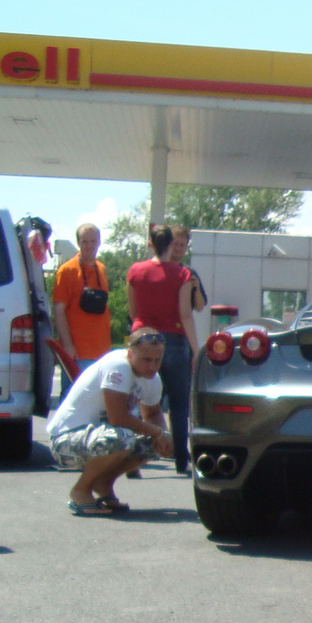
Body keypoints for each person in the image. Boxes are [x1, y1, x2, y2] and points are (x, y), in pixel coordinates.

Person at [46, 328, 173, 515]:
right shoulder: (117, 366)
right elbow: (118, 417)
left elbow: (153, 413)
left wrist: (164, 437)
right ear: (130, 354)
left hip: (97, 437)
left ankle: (103, 485)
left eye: (157, 360)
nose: (152, 367)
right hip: (65, 440)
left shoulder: (153, 380)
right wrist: (158, 432)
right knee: (121, 437)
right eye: (146, 360)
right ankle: (80, 490)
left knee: (150, 444)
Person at [126, 224, 200, 475]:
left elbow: (133, 311)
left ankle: (131, 461)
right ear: (171, 245)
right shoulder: (182, 275)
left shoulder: (135, 271)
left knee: (134, 403)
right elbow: (185, 314)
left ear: (151, 244)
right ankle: (181, 459)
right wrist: (195, 349)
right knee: (179, 405)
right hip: (174, 340)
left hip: (142, 337)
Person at [50, 219, 113, 375]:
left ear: (99, 242)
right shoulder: (67, 271)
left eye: (93, 241)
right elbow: (59, 310)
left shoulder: (101, 269)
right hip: (78, 352)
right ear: (78, 243)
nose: (89, 246)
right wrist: (67, 346)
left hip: (101, 351)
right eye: (85, 241)